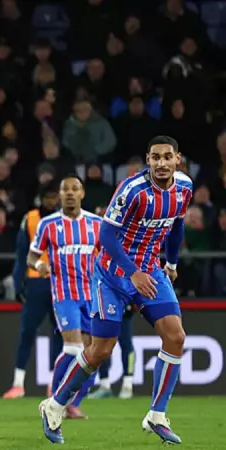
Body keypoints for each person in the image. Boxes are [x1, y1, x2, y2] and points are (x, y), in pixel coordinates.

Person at [41, 136, 192, 445]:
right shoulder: (132, 189)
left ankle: (157, 415)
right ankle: (55, 405)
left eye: (167, 157)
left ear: (177, 159)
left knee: (176, 337)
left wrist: (172, 262)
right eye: (156, 157)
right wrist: (133, 273)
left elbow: (177, 225)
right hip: (112, 274)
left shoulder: (184, 188)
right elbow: (107, 236)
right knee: (100, 351)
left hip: (150, 270)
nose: (162, 163)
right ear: (148, 160)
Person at [28, 176, 102, 419]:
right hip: (65, 294)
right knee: (73, 348)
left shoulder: (96, 224)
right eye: (65, 189)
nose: (70, 193)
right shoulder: (48, 224)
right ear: (60, 195)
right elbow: (31, 256)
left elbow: (108, 257)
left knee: (92, 354)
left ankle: (72, 403)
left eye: (75, 189)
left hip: (92, 296)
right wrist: (39, 265)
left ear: (82, 193)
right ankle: (54, 398)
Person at [4, 183, 63, 399]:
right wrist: (18, 281)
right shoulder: (30, 219)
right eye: (47, 197)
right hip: (36, 280)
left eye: (53, 196)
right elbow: (22, 253)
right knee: (27, 332)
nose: (51, 201)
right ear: (41, 198)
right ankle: (18, 383)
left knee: (60, 333)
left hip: (59, 281)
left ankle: (54, 384)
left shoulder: (66, 219)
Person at [89, 307, 135, 399]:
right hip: (104, 309)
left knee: (126, 344)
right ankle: (104, 385)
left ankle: (127, 385)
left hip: (123, 308)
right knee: (102, 345)